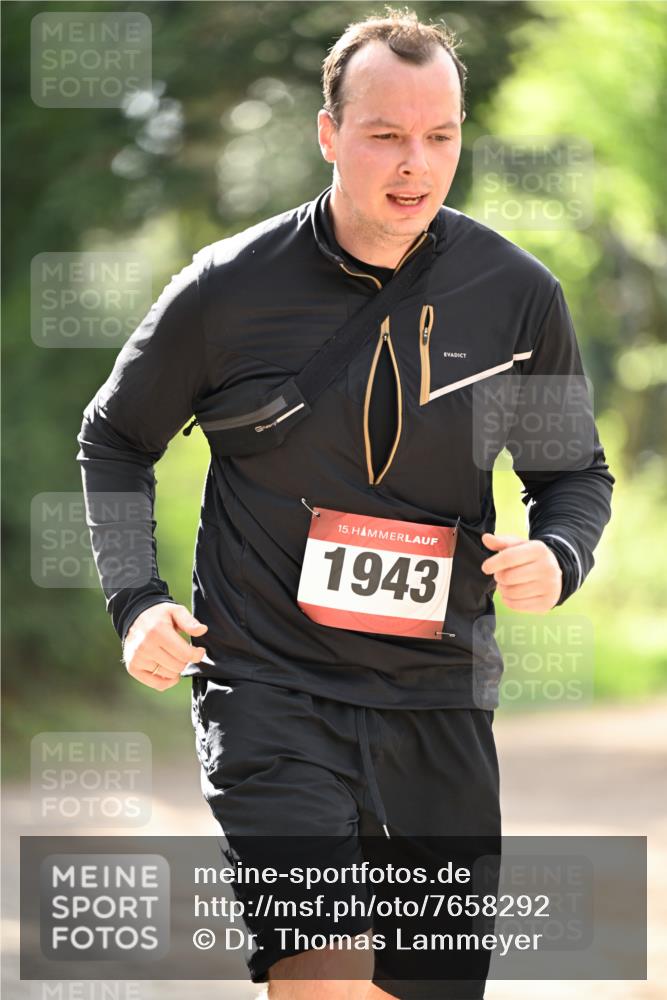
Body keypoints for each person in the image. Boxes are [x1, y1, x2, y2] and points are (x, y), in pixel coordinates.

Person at [77, 9, 614, 999]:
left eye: (440, 136)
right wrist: (137, 601)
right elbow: (113, 437)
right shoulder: (225, 291)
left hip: (436, 695)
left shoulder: (515, 295)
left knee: (425, 986)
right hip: (268, 687)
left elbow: (570, 474)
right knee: (324, 968)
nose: (415, 164)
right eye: (384, 135)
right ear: (328, 133)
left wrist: (560, 551)